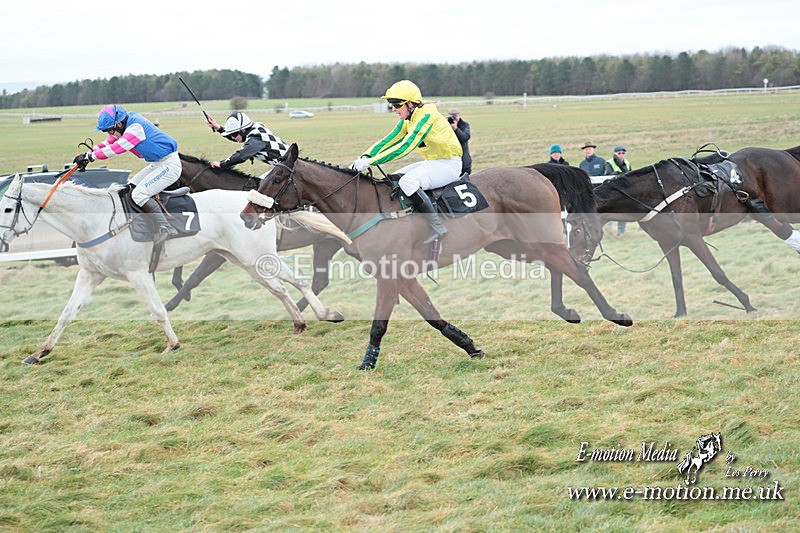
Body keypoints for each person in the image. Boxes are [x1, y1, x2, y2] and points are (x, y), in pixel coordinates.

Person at [350, 80, 462, 243]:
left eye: (396, 104)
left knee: (408, 182)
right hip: (433, 162)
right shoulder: (409, 118)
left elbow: (405, 146)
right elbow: (388, 140)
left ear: (411, 104)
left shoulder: (426, 116)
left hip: (449, 165)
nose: (393, 109)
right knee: (392, 180)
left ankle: (437, 226)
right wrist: (365, 157)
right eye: (391, 104)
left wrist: (372, 162)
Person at [73, 104, 180, 244]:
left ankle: (166, 228)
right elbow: (109, 142)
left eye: (110, 130)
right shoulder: (125, 124)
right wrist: (89, 153)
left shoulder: (136, 128)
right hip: (157, 164)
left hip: (169, 165)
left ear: (119, 123)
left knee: (138, 194)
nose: (109, 134)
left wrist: (91, 157)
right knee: (129, 189)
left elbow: (117, 148)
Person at [206, 111, 289, 170]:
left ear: (243, 130)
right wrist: (218, 127)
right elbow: (239, 138)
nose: (233, 138)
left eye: (234, 134)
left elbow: (241, 155)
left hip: (291, 168)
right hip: (285, 167)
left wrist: (221, 164)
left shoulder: (256, 137)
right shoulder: (255, 127)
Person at [604, 145, 633, 235]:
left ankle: (621, 232)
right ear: (615, 154)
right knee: (610, 211)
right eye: (619, 153)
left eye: (623, 153)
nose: (621, 155)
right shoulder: (609, 163)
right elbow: (608, 175)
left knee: (623, 212)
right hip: (612, 192)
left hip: (624, 191)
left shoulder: (627, 163)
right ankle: (609, 231)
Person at [447, 108, 472, 174]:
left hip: (464, 160)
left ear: (459, 115)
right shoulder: (445, 126)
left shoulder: (464, 125)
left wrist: (456, 129)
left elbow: (465, 137)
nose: (454, 118)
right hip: (451, 160)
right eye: (452, 116)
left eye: (455, 115)